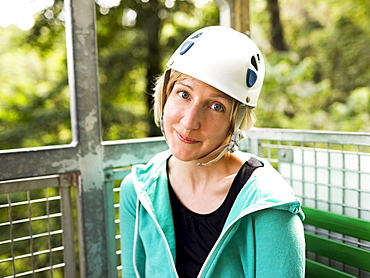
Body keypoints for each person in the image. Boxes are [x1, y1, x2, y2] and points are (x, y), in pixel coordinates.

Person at [119, 25, 305, 278]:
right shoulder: (138, 191)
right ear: (165, 95)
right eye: (183, 94)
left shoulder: (268, 207)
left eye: (216, 106)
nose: (189, 122)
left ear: (236, 122)